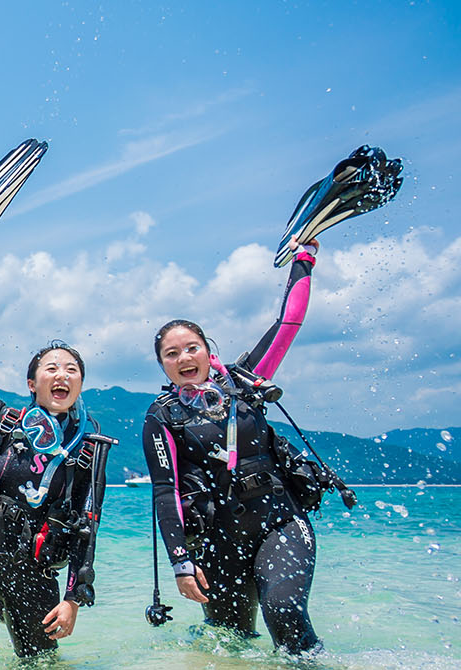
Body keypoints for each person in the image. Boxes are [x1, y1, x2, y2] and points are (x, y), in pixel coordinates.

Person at [141, 240, 325, 654]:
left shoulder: (245, 381)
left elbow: (288, 325)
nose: (184, 357)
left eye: (192, 347)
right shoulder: (162, 416)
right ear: (163, 366)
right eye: (172, 354)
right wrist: (181, 563)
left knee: (285, 614)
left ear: (208, 351)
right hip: (216, 542)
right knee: (229, 642)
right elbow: (165, 492)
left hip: (278, 522)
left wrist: (304, 261)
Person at [0, 311, 110, 667]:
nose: (62, 375)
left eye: (72, 370)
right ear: (32, 383)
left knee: (39, 664)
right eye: (52, 368)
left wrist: (73, 598)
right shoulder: (3, 422)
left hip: (35, 574)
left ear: (80, 385)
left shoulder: (88, 450)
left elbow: (88, 527)